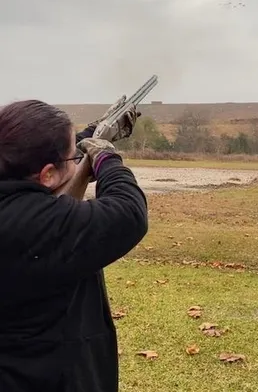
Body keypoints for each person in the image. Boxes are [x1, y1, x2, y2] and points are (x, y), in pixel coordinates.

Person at [0, 99, 148, 392]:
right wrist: (106, 158)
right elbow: (129, 213)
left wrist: (93, 134)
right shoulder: (38, 224)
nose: (76, 158)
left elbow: (34, 152)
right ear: (47, 175)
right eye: (72, 156)